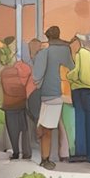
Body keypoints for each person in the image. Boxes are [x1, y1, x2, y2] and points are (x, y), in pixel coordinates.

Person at [32, 27, 73, 170]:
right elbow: (72, 68)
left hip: (50, 94)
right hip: (64, 94)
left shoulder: (45, 53)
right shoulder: (66, 51)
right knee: (60, 125)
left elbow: (37, 76)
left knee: (47, 128)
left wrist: (38, 83)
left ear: (48, 38)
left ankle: (45, 158)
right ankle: (63, 154)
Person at [0, 44, 35, 161]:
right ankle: (27, 152)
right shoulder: (27, 69)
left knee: (12, 130)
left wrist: (0, 103)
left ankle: (15, 151)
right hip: (23, 103)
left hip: (9, 105)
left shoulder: (4, 72)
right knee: (25, 129)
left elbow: (1, 90)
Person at [67, 40, 90, 164]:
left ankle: (81, 153)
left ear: (75, 43)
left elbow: (77, 73)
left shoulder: (79, 55)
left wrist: (68, 76)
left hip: (79, 90)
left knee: (80, 121)